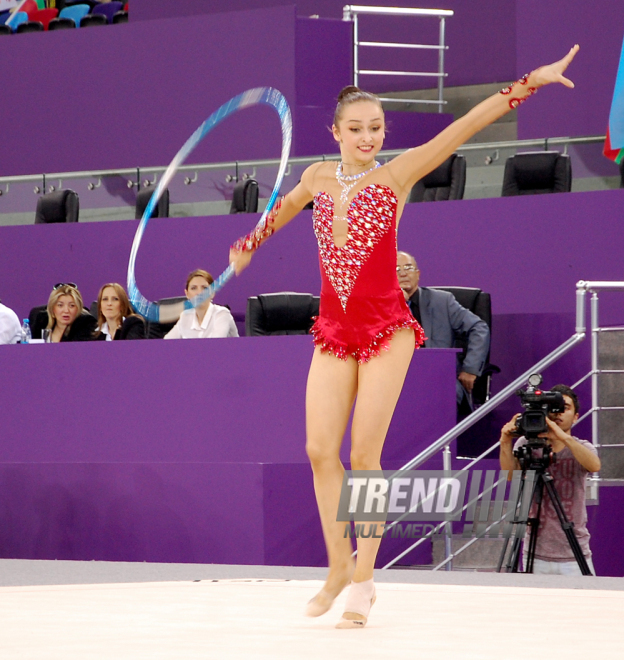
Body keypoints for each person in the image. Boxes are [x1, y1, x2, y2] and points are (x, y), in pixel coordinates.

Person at [230, 47, 580, 628]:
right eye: (356, 129)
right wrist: (251, 243)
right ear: (335, 131)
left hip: (387, 328)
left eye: (376, 128)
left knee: (365, 455)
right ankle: (338, 565)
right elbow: (285, 207)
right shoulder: (317, 176)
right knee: (320, 451)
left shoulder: (398, 174)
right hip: (335, 329)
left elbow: (468, 124)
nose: (368, 137)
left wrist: (530, 84)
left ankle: (363, 582)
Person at [499, 385, 601, 575]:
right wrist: (505, 441)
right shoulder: (526, 444)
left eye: (565, 408)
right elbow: (511, 475)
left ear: (576, 416)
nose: (558, 413)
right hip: (535, 552)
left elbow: (594, 465)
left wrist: (561, 437)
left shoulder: (582, 447)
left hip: (574, 551)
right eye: (553, 408)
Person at [397, 251, 490, 410]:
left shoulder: (442, 301)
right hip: (396, 379)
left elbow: (479, 328)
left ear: (418, 274)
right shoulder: (378, 307)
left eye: (408, 267)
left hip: (438, 380)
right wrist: (395, 302)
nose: (404, 273)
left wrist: (470, 369)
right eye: (396, 269)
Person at [164, 269, 238, 339]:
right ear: (187, 294)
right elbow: (165, 344)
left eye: (205, 288)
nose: (199, 293)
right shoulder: (185, 316)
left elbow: (215, 346)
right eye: (194, 288)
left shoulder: (222, 314)